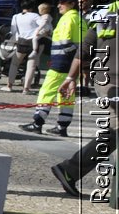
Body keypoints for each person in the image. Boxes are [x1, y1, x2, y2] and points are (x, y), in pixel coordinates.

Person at [49, 14, 117, 197]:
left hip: (104, 80)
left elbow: (84, 50)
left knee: (112, 133)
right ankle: (70, 170)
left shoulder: (107, 13)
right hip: (113, 83)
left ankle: (69, 170)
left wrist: (71, 77)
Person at [19, 0, 84, 137]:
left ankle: (37, 123)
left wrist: (57, 59)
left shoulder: (67, 19)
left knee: (46, 92)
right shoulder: (79, 19)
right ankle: (62, 127)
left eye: (63, 2)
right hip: (72, 64)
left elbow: (65, 43)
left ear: (72, 4)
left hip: (61, 64)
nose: (59, 5)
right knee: (67, 95)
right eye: (59, 2)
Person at [4, 2, 41, 92]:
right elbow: (43, 26)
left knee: (14, 64)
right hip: (33, 42)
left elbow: (13, 31)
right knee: (31, 66)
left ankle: (9, 85)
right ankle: (26, 88)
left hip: (21, 41)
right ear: (31, 8)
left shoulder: (16, 16)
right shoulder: (35, 16)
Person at [25, 1, 54, 93]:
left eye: (39, 10)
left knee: (35, 39)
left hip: (43, 31)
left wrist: (38, 29)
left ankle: (34, 50)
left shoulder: (45, 16)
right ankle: (36, 61)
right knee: (37, 54)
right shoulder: (46, 16)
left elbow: (43, 24)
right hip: (47, 32)